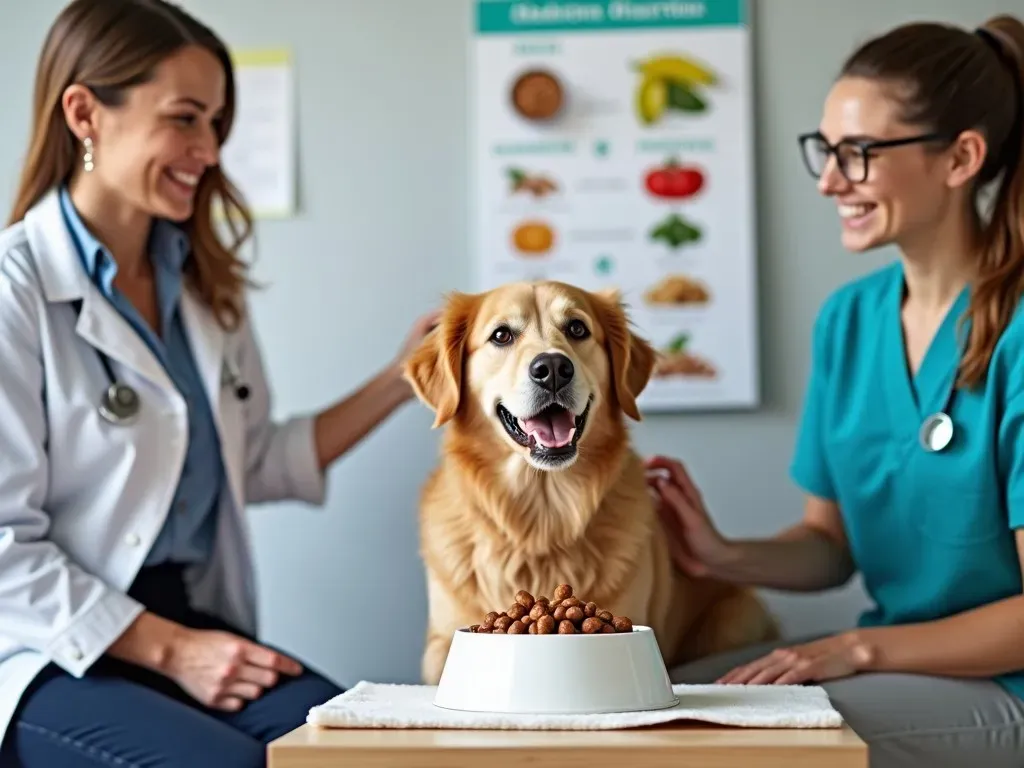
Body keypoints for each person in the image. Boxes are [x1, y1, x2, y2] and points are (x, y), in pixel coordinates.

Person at [0, 0, 437, 765]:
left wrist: (405, 378)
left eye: (217, 124)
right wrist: (175, 653)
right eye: (186, 118)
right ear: (85, 113)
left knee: (369, 750)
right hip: (47, 648)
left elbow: (255, 463)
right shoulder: (16, 290)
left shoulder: (202, 289)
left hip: (190, 619)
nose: (208, 150)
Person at [648, 12, 1024, 768]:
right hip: (896, 662)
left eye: (857, 154)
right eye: (825, 150)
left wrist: (855, 648)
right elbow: (829, 547)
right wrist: (722, 554)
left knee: (699, 744)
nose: (828, 180)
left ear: (961, 158)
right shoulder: (849, 322)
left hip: (1004, 686)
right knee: (647, 708)